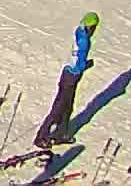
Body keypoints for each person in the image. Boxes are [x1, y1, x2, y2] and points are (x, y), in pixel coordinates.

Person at [35, 12, 100, 148]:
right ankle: (42, 136)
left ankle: (62, 133)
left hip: (67, 73)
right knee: (59, 107)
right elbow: (79, 63)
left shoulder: (79, 32)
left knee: (67, 106)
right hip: (72, 76)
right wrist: (87, 65)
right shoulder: (84, 41)